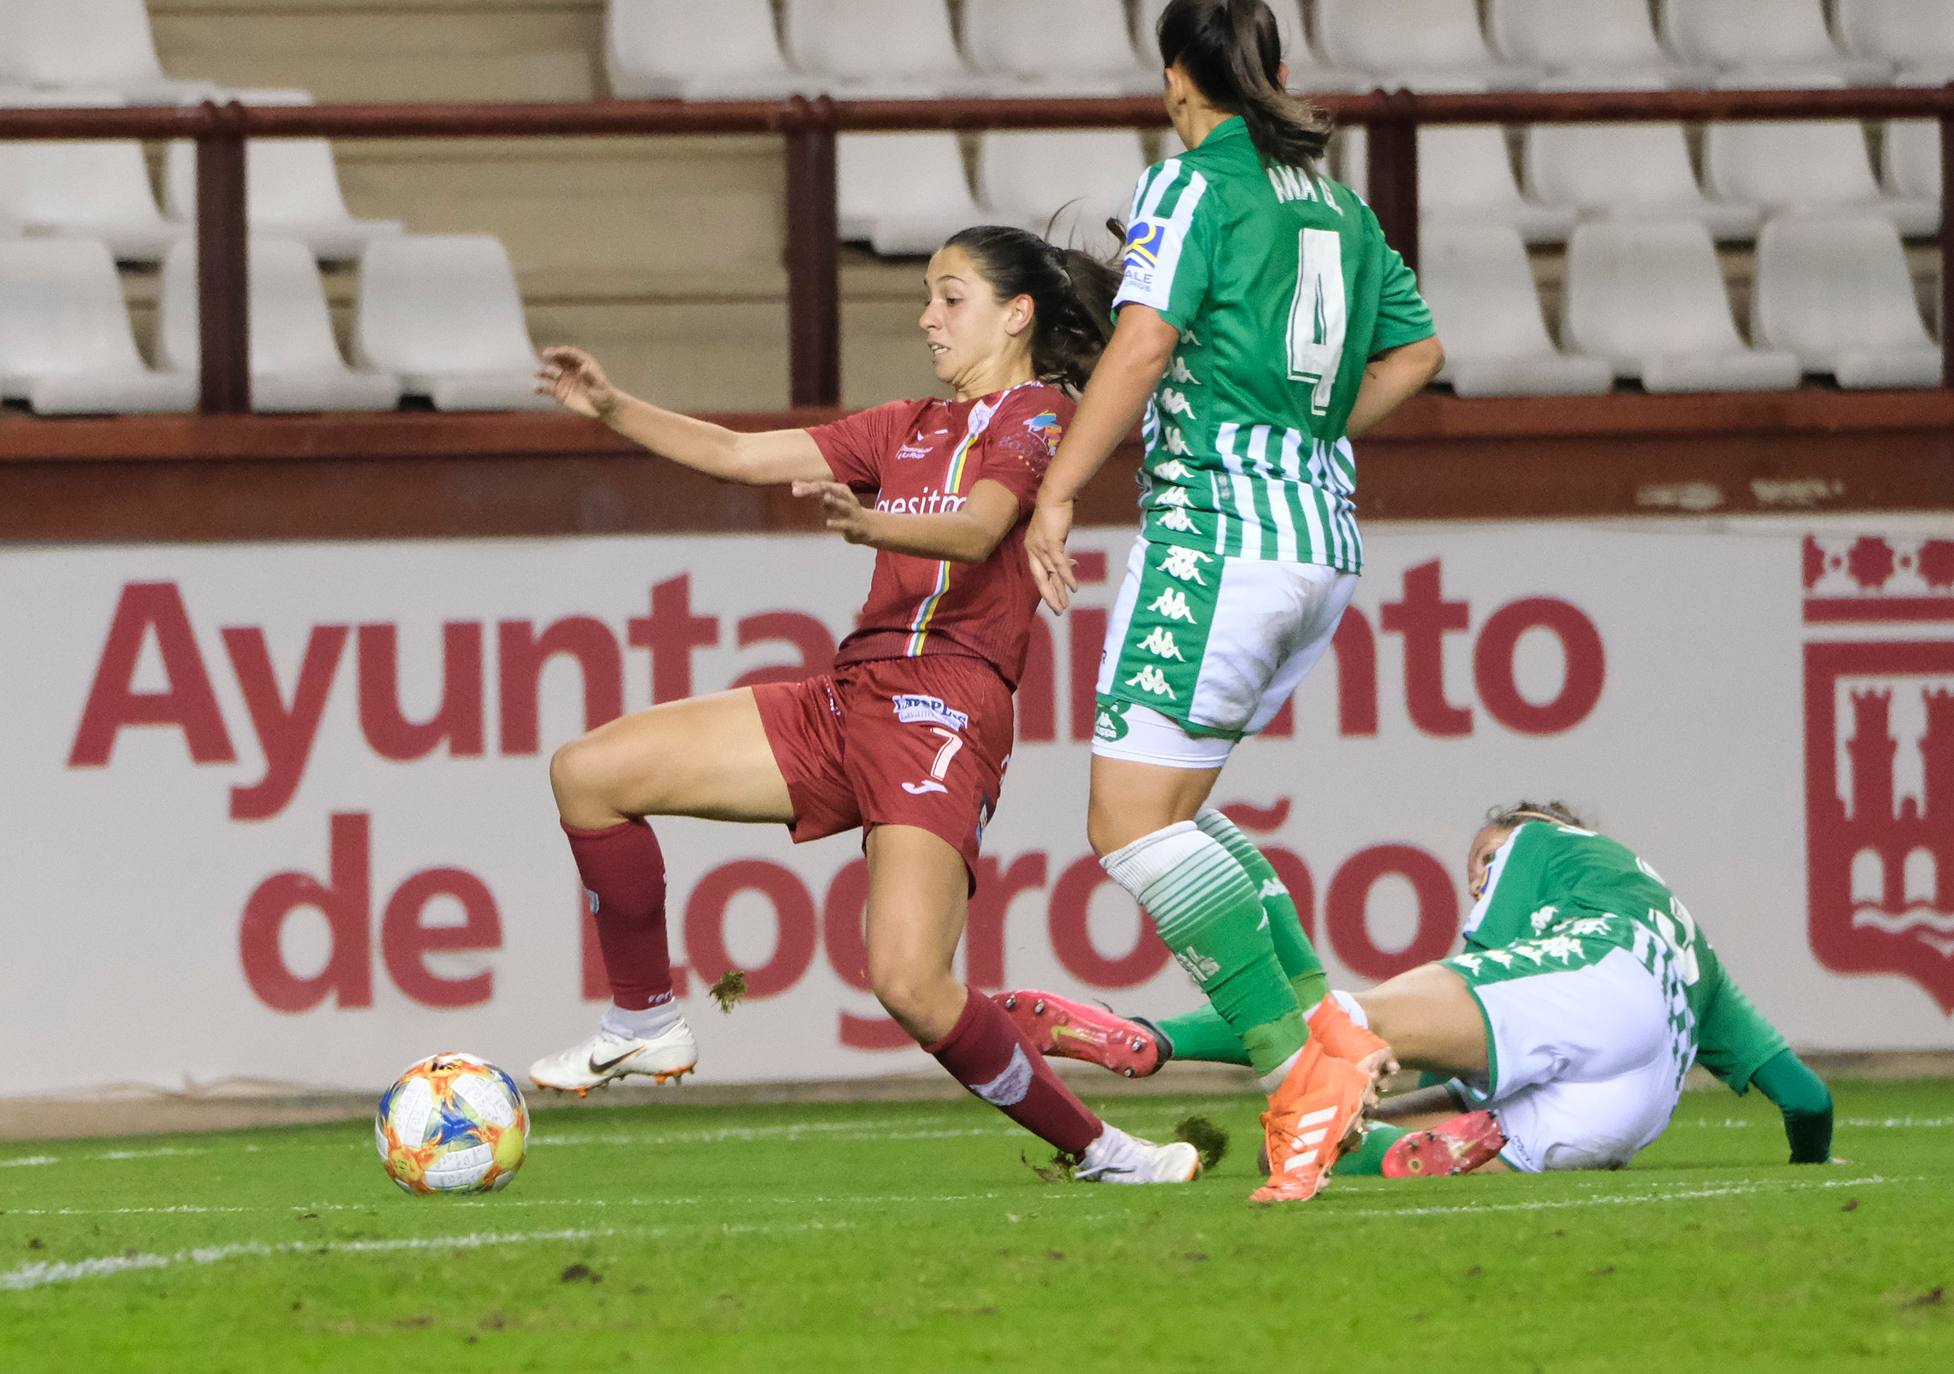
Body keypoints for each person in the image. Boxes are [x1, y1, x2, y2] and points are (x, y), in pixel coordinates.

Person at [527, 225, 1201, 1185]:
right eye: (928, 295)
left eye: (950, 296)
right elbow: (733, 451)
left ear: (1017, 315)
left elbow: (978, 530)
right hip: (850, 697)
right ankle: (645, 1021)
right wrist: (608, 405)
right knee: (588, 772)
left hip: (945, 711)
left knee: (911, 985)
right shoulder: (903, 426)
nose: (928, 316)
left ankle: (1106, 1151)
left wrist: (871, 520)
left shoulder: (1043, 417)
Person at [1020, 0, 1444, 1201]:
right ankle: (1329, 1056)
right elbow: (1415, 352)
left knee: (1129, 828)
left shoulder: (1189, 186)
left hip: (1218, 535)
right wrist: (1303, 434)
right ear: (1276, 68)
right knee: (1181, 814)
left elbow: (1145, 340)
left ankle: (1301, 1066)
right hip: (1321, 544)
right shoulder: (1344, 208)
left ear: (1172, 78)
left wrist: (1057, 494)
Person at [1000, 801, 1836, 1179]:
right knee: (1311, 1140)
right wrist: (1812, 1170)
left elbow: (1394, 1032)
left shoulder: (1545, 844)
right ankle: (1393, 1159)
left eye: (1483, 863)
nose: (1480, 882)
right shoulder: (1699, 957)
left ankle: (1149, 1038)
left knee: (1337, 1028)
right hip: (1626, 1116)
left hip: (1588, 984)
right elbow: (1806, 1098)